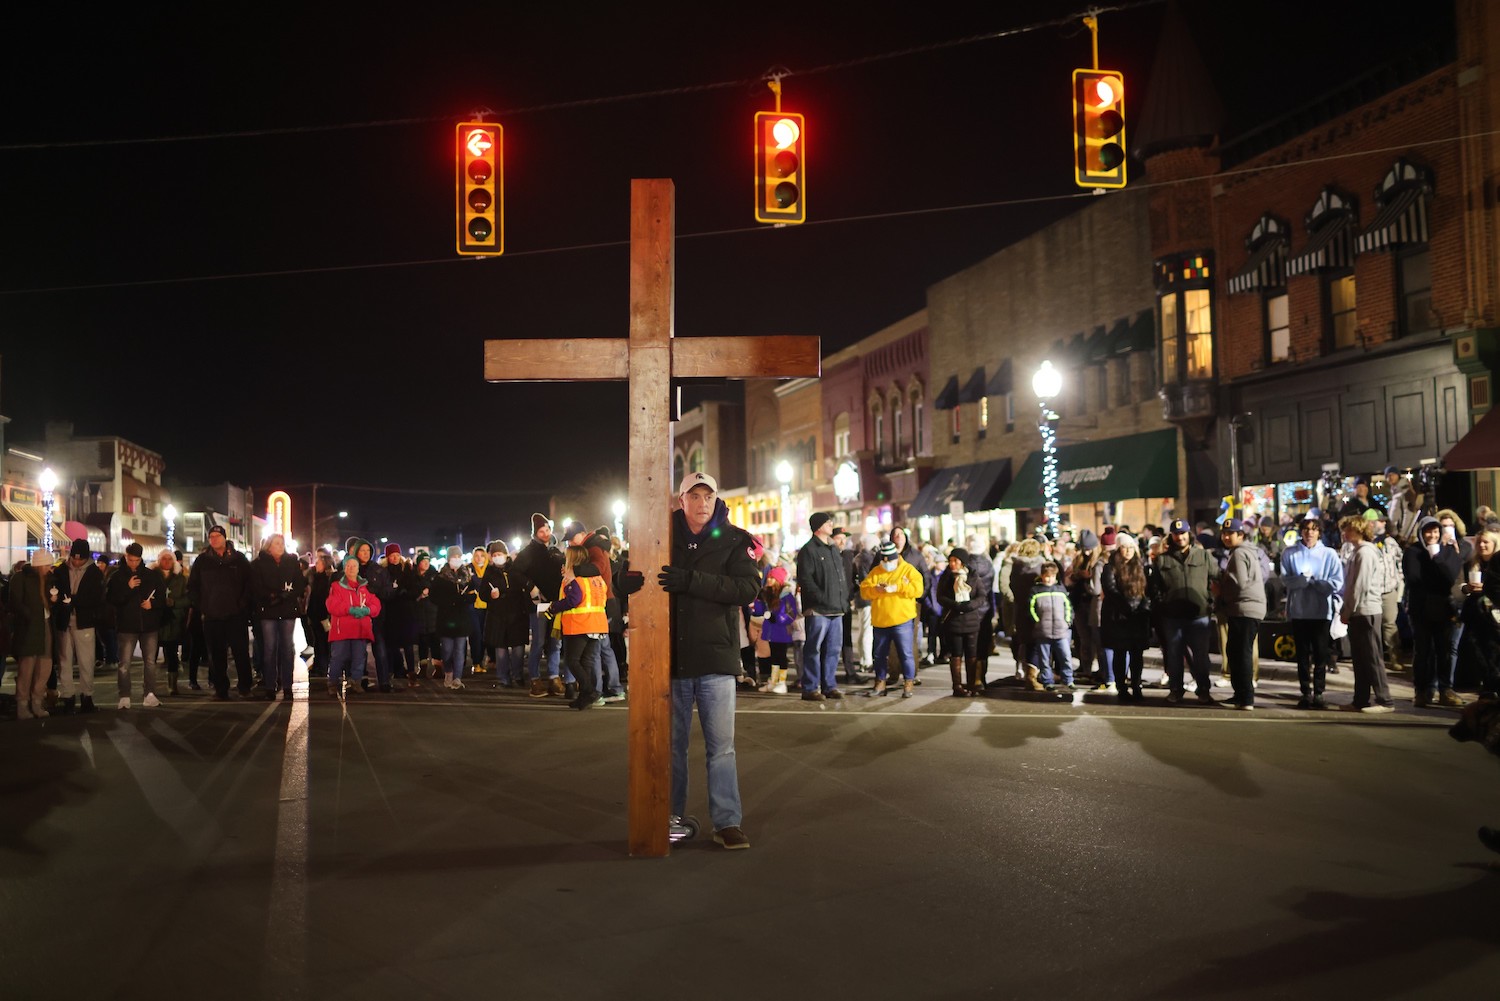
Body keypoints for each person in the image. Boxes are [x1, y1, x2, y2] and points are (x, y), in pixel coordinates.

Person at [658, 471, 759, 849]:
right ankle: (670, 818)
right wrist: (624, 582)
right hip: (673, 657)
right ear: (680, 500)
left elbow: (748, 588)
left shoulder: (735, 540)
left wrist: (691, 580)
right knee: (673, 747)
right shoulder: (660, 537)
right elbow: (629, 573)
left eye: (708, 496)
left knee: (722, 747)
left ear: (717, 499)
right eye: (694, 496)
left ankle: (727, 822)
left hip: (716, 657)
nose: (702, 503)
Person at [1149, 518, 1219, 706]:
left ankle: (1203, 690)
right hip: (1173, 617)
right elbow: (1154, 588)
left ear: (1189, 534)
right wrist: (1162, 605)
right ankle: (1176, 690)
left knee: (1201, 656)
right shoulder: (1162, 559)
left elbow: (1218, 578)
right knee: (1174, 655)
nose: (1180, 537)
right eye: (1176, 534)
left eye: (1183, 533)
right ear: (1171, 536)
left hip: (1199, 615)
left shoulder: (1203, 556)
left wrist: (1210, 601)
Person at [1280, 510, 1345, 710]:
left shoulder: (1329, 554)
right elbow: (1285, 579)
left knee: (1320, 654)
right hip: (1299, 612)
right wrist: (1301, 580)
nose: (1310, 533)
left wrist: (1318, 583)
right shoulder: (1289, 553)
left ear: (1320, 533)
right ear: (1301, 532)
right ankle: (1305, 692)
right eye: (1306, 529)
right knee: (1301, 655)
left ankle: (1319, 692)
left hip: (1320, 611)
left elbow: (1337, 581)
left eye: (1314, 529)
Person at [1404, 516, 1467, 708]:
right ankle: (1423, 690)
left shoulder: (1448, 551)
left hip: (1443, 608)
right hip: (1421, 608)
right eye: (1428, 532)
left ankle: (1446, 689)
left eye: (1436, 532)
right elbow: (1414, 578)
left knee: (1445, 651)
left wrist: (1437, 557)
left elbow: (1450, 577)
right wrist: (1437, 576)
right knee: (1423, 651)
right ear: (1421, 533)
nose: (1432, 535)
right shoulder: (1412, 552)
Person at [1339, 515, 1394, 713]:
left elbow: (1358, 587)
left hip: (1366, 610)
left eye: (1348, 529)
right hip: (1360, 611)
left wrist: (1347, 610)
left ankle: (1385, 700)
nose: (1344, 533)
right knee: (1360, 658)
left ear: (1359, 530)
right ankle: (1360, 699)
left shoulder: (1365, 553)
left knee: (1372, 657)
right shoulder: (1358, 552)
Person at [191, 526, 253, 700]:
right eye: (211, 536)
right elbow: (193, 587)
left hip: (236, 615)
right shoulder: (202, 561)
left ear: (225, 538)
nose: (214, 539)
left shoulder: (238, 559)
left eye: (217, 536)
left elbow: (250, 584)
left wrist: (242, 605)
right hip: (212, 616)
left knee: (240, 652)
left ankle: (245, 686)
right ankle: (221, 689)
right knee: (216, 655)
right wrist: (202, 606)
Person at [543, 544, 608, 710]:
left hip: (579, 625)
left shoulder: (576, 580)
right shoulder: (597, 579)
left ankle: (589, 691)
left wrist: (554, 606)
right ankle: (584, 697)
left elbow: (573, 600)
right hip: (597, 624)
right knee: (586, 661)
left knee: (572, 661)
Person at [859, 540, 924, 698]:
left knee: (905, 653)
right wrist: (876, 590)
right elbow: (864, 591)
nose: (887, 563)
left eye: (890, 559)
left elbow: (918, 590)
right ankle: (880, 682)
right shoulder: (876, 571)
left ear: (897, 557)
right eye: (884, 560)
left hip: (902, 620)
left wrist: (898, 587)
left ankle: (908, 682)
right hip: (881, 621)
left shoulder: (908, 570)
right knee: (879, 655)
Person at [796, 511, 849, 702]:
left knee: (834, 650)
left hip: (836, 608)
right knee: (814, 649)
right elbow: (806, 579)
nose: (831, 524)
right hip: (818, 609)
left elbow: (840, 577)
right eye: (828, 522)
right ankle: (810, 688)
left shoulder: (833, 548)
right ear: (818, 526)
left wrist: (843, 599)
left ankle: (829, 686)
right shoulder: (809, 550)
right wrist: (820, 597)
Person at [107, 541, 167, 709]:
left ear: (141, 559)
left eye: (136, 560)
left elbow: (162, 597)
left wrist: (152, 605)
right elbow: (111, 599)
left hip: (149, 626)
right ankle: (124, 696)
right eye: (130, 559)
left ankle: (149, 694)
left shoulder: (152, 575)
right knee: (124, 664)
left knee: (150, 662)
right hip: (126, 626)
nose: (133, 563)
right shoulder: (117, 577)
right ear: (126, 557)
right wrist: (128, 588)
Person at [249, 534, 308, 701]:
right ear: (269, 546)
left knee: (287, 648)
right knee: (269, 649)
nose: (280, 546)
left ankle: (288, 686)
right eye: (276, 543)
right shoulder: (258, 564)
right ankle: (270, 685)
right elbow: (256, 586)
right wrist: (271, 595)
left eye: (282, 543)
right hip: (268, 610)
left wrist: (286, 595)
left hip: (287, 609)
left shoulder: (291, 561)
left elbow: (300, 584)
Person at [1215, 519, 1265, 711]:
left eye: (1231, 533)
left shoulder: (1239, 554)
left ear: (1241, 535)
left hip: (1244, 608)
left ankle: (1245, 698)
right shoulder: (1248, 551)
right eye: (1224, 533)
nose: (1227, 537)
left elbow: (1240, 583)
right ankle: (1241, 696)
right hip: (1249, 608)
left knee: (1240, 653)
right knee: (1237, 651)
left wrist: (1220, 590)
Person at [513, 513, 565, 698]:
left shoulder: (556, 551)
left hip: (556, 603)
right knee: (539, 642)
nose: (545, 534)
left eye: (547, 530)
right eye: (541, 531)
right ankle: (535, 679)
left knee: (555, 642)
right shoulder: (528, 552)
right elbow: (515, 572)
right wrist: (531, 586)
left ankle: (553, 676)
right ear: (535, 533)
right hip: (538, 605)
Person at [52, 537, 105, 715]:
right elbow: (54, 589)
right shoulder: (60, 570)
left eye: (80, 559)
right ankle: (67, 697)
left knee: (86, 660)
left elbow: (97, 598)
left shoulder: (94, 573)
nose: (76, 562)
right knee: (64, 660)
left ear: (86, 557)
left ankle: (86, 697)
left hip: (84, 620)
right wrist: (58, 599)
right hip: (64, 620)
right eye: (73, 558)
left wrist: (73, 600)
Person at [1100, 534, 1151, 703]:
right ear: (1118, 548)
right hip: (1118, 616)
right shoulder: (1110, 567)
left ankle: (1136, 685)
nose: (1128, 551)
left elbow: (1148, 590)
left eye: (1131, 547)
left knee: (1137, 654)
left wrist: (1143, 606)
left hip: (1138, 616)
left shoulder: (1141, 565)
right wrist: (1126, 607)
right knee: (1120, 653)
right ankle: (1121, 687)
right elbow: (1110, 589)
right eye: (1124, 547)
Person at [325, 553, 381, 697]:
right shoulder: (336, 586)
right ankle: (332, 683)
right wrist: (349, 609)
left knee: (359, 657)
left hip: (360, 629)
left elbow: (375, 604)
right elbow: (332, 605)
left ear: (358, 569)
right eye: (348, 566)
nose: (351, 568)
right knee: (338, 657)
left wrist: (369, 610)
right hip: (341, 630)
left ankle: (356, 682)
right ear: (344, 568)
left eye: (354, 566)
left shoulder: (364, 587)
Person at [936, 547, 987, 697]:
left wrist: (970, 605)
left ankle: (972, 684)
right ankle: (957, 686)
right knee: (956, 654)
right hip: (953, 622)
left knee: (971, 654)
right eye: (950, 561)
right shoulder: (946, 577)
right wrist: (955, 605)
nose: (952, 564)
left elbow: (981, 596)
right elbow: (940, 596)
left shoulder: (973, 577)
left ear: (963, 562)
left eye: (956, 561)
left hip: (971, 621)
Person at [11, 549, 56, 719]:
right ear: (39, 565)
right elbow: (15, 602)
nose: (50, 568)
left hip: (45, 625)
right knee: (27, 666)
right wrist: (29, 615)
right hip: (29, 627)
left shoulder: (49, 580)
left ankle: (37, 701)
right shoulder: (21, 578)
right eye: (47, 565)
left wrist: (53, 602)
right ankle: (22, 704)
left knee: (45, 666)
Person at [484, 541, 533, 689]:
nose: (497, 557)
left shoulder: (515, 570)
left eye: (500, 554)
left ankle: (518, 676)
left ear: (506, 555)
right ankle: (504, 678)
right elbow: (482, 593)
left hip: (516, 614)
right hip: (497, 616)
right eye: (495, 555)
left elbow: (522, 587)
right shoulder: (489, 572)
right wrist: (490, 595)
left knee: (518, 649)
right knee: (501, 651)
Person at [1460, 528, 1499, 694]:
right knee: (1480, 653)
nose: (1482, 545)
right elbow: (1460, 587)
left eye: (1486, 542)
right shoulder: (1472, 563)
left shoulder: (1497, 561)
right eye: (1479, 542)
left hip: (1494, 615)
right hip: (1476, 614)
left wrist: (1487, 588)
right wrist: (1467, 588)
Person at [1028, 560, 1074, 693]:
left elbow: (1068, 607)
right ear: (1042, 575)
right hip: (1043, 630)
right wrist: (1037, 621)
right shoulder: (1036, 591)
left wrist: (1067, 621)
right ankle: (1047, 681)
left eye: (1052, 576)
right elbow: (1031, 609)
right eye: (1047, 576)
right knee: (1044, 658)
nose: (1049, 579)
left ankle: (1068, 679)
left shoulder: (1060, 589)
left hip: (1060, 630)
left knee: (1065, 656)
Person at [752, 567, 798, 694]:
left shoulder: (786, 595)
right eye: (769, 578)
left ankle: (782, 682)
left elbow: (791, 613)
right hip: (771, 631)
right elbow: (759, 611)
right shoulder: (767, 593)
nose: (769, 580)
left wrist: (778, 618)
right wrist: (758, 602)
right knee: (774, 658)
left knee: (781, 657)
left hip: (781, 631)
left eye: (773, 578)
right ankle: (773, 681)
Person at [381, 544, 421, 686]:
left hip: (406, 612)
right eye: (392, 556)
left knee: (408, 646)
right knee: (392, 646)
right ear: (387, 557)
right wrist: (393, 593)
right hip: (391, 614)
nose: (395, 558)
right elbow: (383, 592)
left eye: (397, 555)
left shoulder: (408, 570)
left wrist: (405, 592)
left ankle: (411, 673)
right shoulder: (383, 572)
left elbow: (415, 590)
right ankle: (392, 673)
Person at [156, 549, 189, 696]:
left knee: (172, 653)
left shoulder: (181, 579)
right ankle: (149, 684)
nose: (167, 562)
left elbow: (188, 599)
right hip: (156, 621)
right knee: (150, 654)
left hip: (173, 620)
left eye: (170, 559)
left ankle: (172, 685)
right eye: (164, 559)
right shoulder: (153, 577)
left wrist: (174, 603)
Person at [305, 552, 336, 679]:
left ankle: (322, 667)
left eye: (318, 563)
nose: (315, 565)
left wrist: (324, 615)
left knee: (323, 642)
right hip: (315, 615)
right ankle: (318, 665)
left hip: (323, 616)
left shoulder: (326, 580)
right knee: (318, 641)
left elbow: (323, 599)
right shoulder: (316, 578)